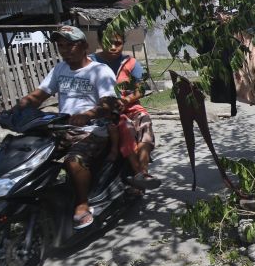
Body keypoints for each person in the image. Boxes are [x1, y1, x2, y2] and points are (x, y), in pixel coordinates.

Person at [16, 26, 117, 229]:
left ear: (84, 46)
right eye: (61, 46)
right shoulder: (59, 69)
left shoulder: (100, 70)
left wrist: (88, 115)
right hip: (62, 128)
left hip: (93, 130)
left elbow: (109, 103)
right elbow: (38, 95)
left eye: (70, 45)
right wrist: (13, 111)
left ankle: (82, 203)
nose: (65, 50)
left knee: (73, 161)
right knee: (29, 154)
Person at [94, 25, 160, 191]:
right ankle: (138, 171)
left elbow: (142, 87)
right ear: (100, 41)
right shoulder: (91, 63)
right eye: (108, 42)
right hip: (105, 111)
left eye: (118, 43)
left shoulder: (130, 63)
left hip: (130, 107)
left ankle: (144, 172)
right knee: (126, 128)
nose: (113, 47)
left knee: (145, 124)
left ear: (123, 43)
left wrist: (127, 99)